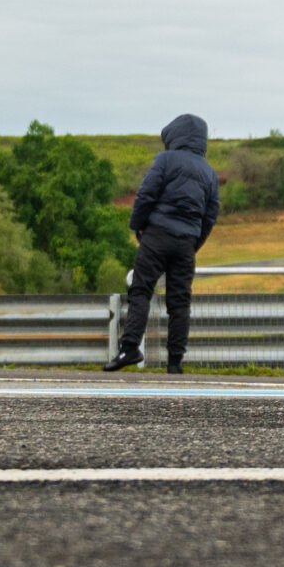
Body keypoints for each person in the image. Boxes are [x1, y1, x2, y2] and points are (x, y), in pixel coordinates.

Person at [107, 113, 220, 373]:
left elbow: (146, 193)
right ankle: (175, 362)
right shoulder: (209, 173)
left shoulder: (165, 160)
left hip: (157, 235)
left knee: (141, 290)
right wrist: (193, 243)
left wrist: (138, 226)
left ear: (175, 135)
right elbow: (210, 216)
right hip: (186, 243)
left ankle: (131, 348)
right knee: (180, 302)